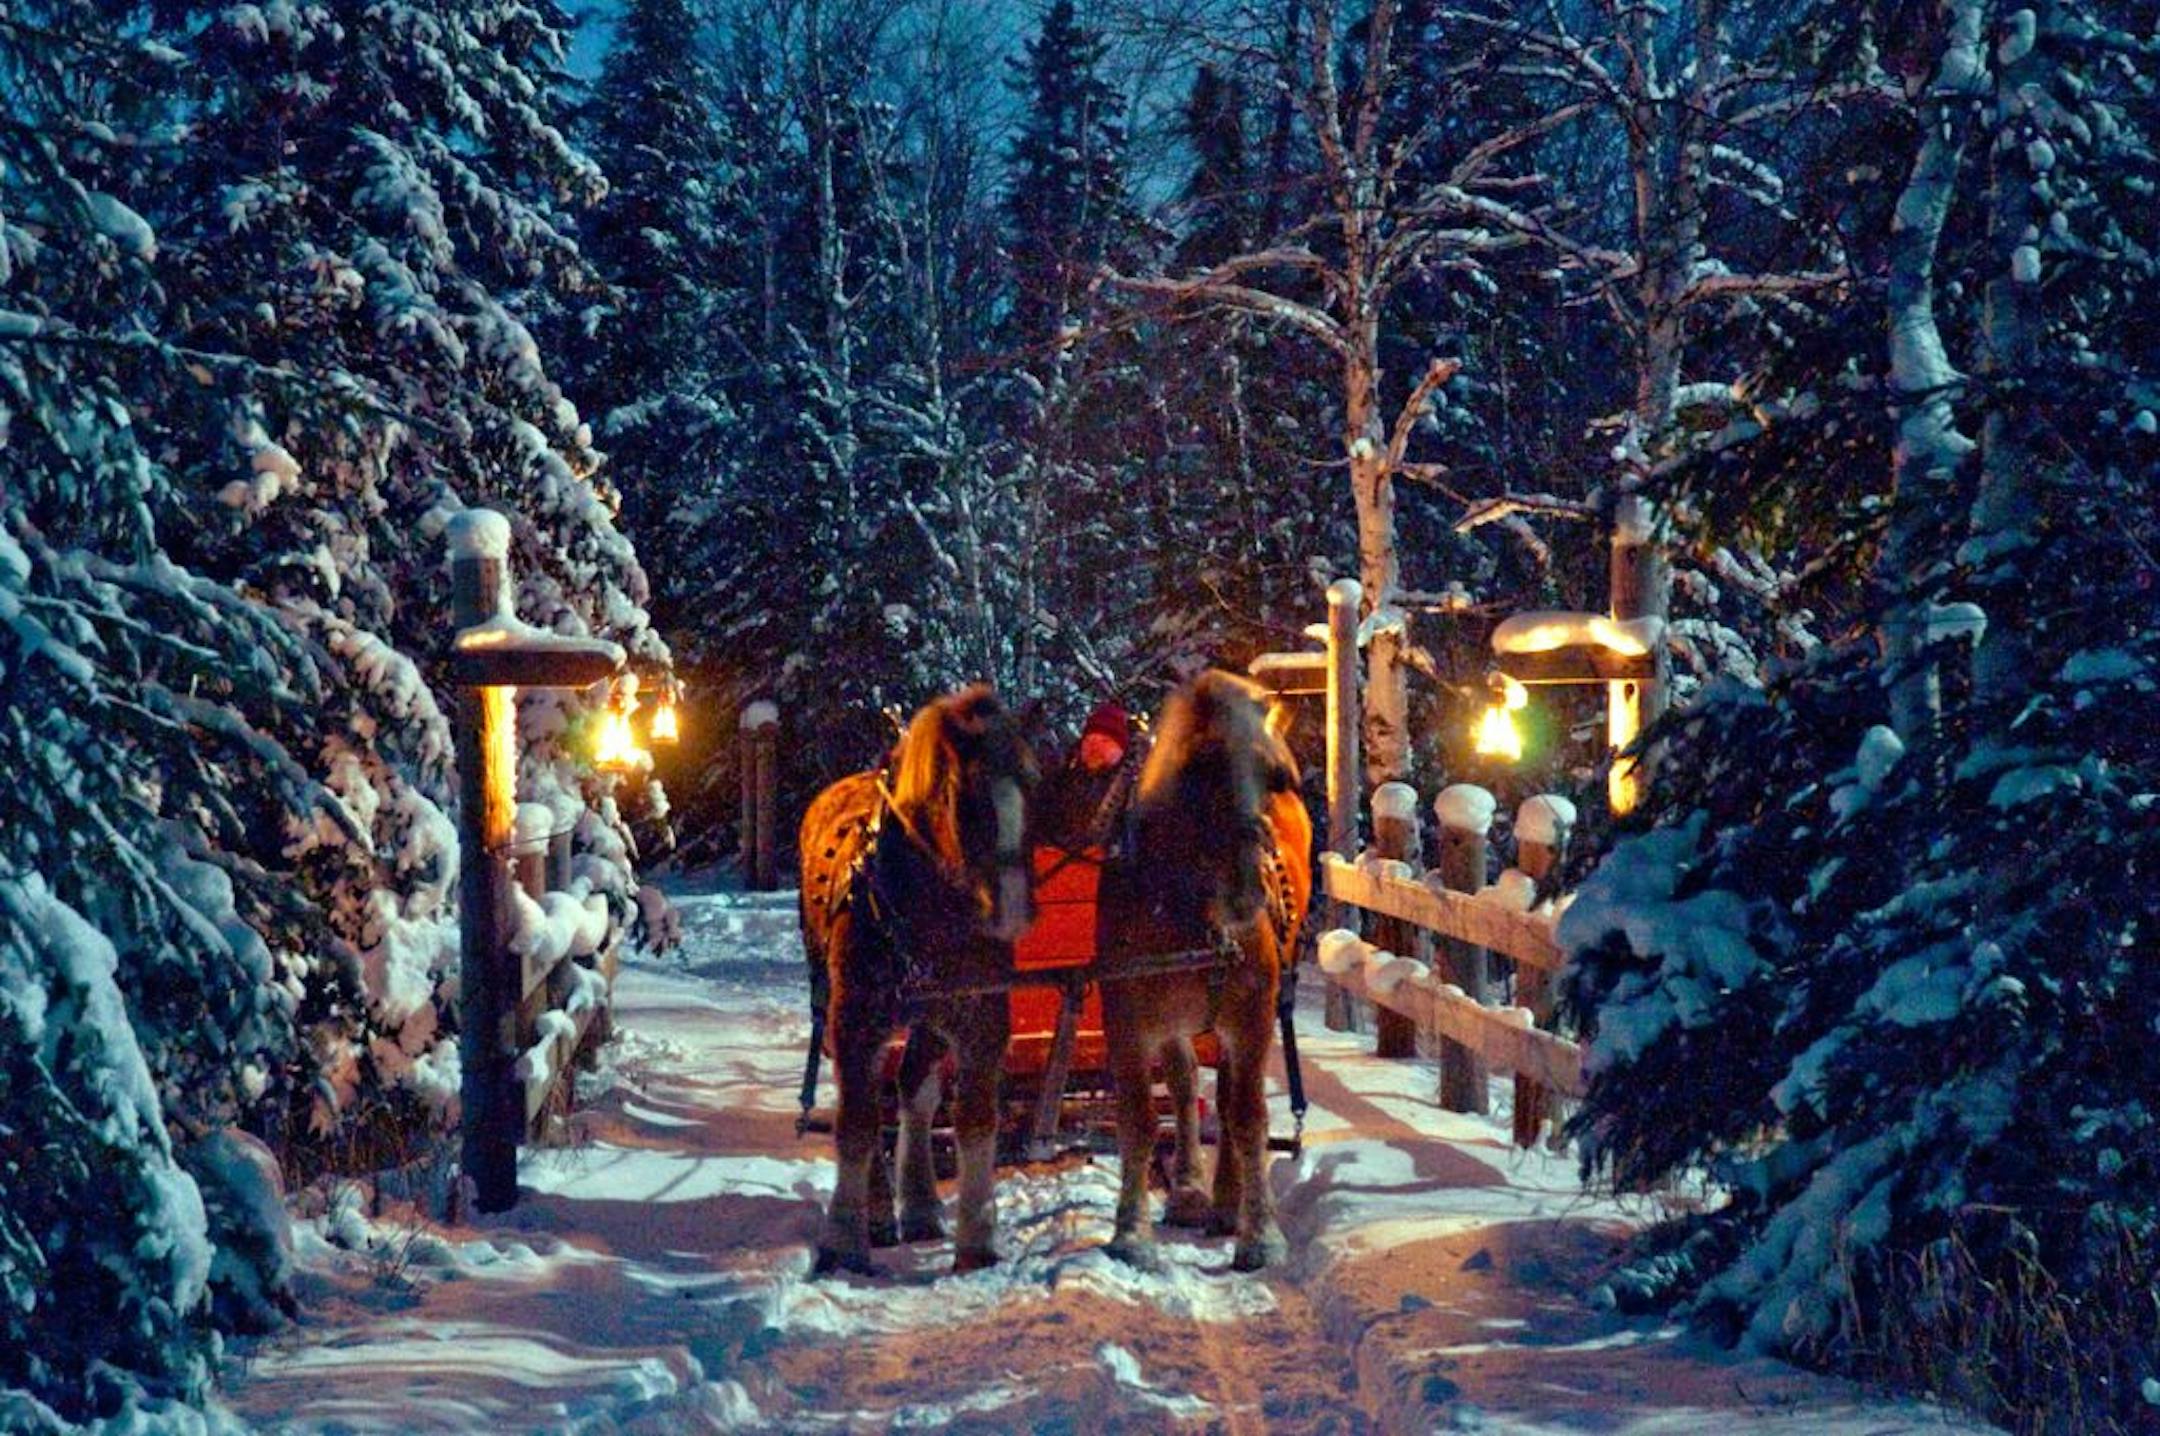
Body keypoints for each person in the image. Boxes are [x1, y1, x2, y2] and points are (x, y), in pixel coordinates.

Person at [1038, 700, 1134, 852]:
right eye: (1090, 739)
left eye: (1105, 741)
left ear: (1121, 750)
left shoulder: (1132, 795)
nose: (1095, 747)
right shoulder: (1057, 782)